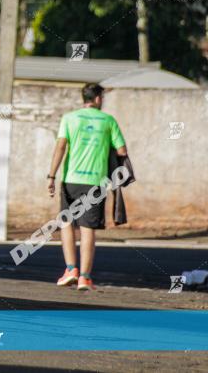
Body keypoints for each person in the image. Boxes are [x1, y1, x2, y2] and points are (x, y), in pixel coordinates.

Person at [46, 83, 127, 291]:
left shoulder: (69, 118)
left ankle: (70, 269)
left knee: (66, 223)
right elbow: (121, 150)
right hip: (96, 183)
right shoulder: (108, 121)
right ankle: (84, 277)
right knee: (88, 229)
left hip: (71, 180)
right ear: (98, 99)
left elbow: (60, 146)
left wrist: (51, 175)